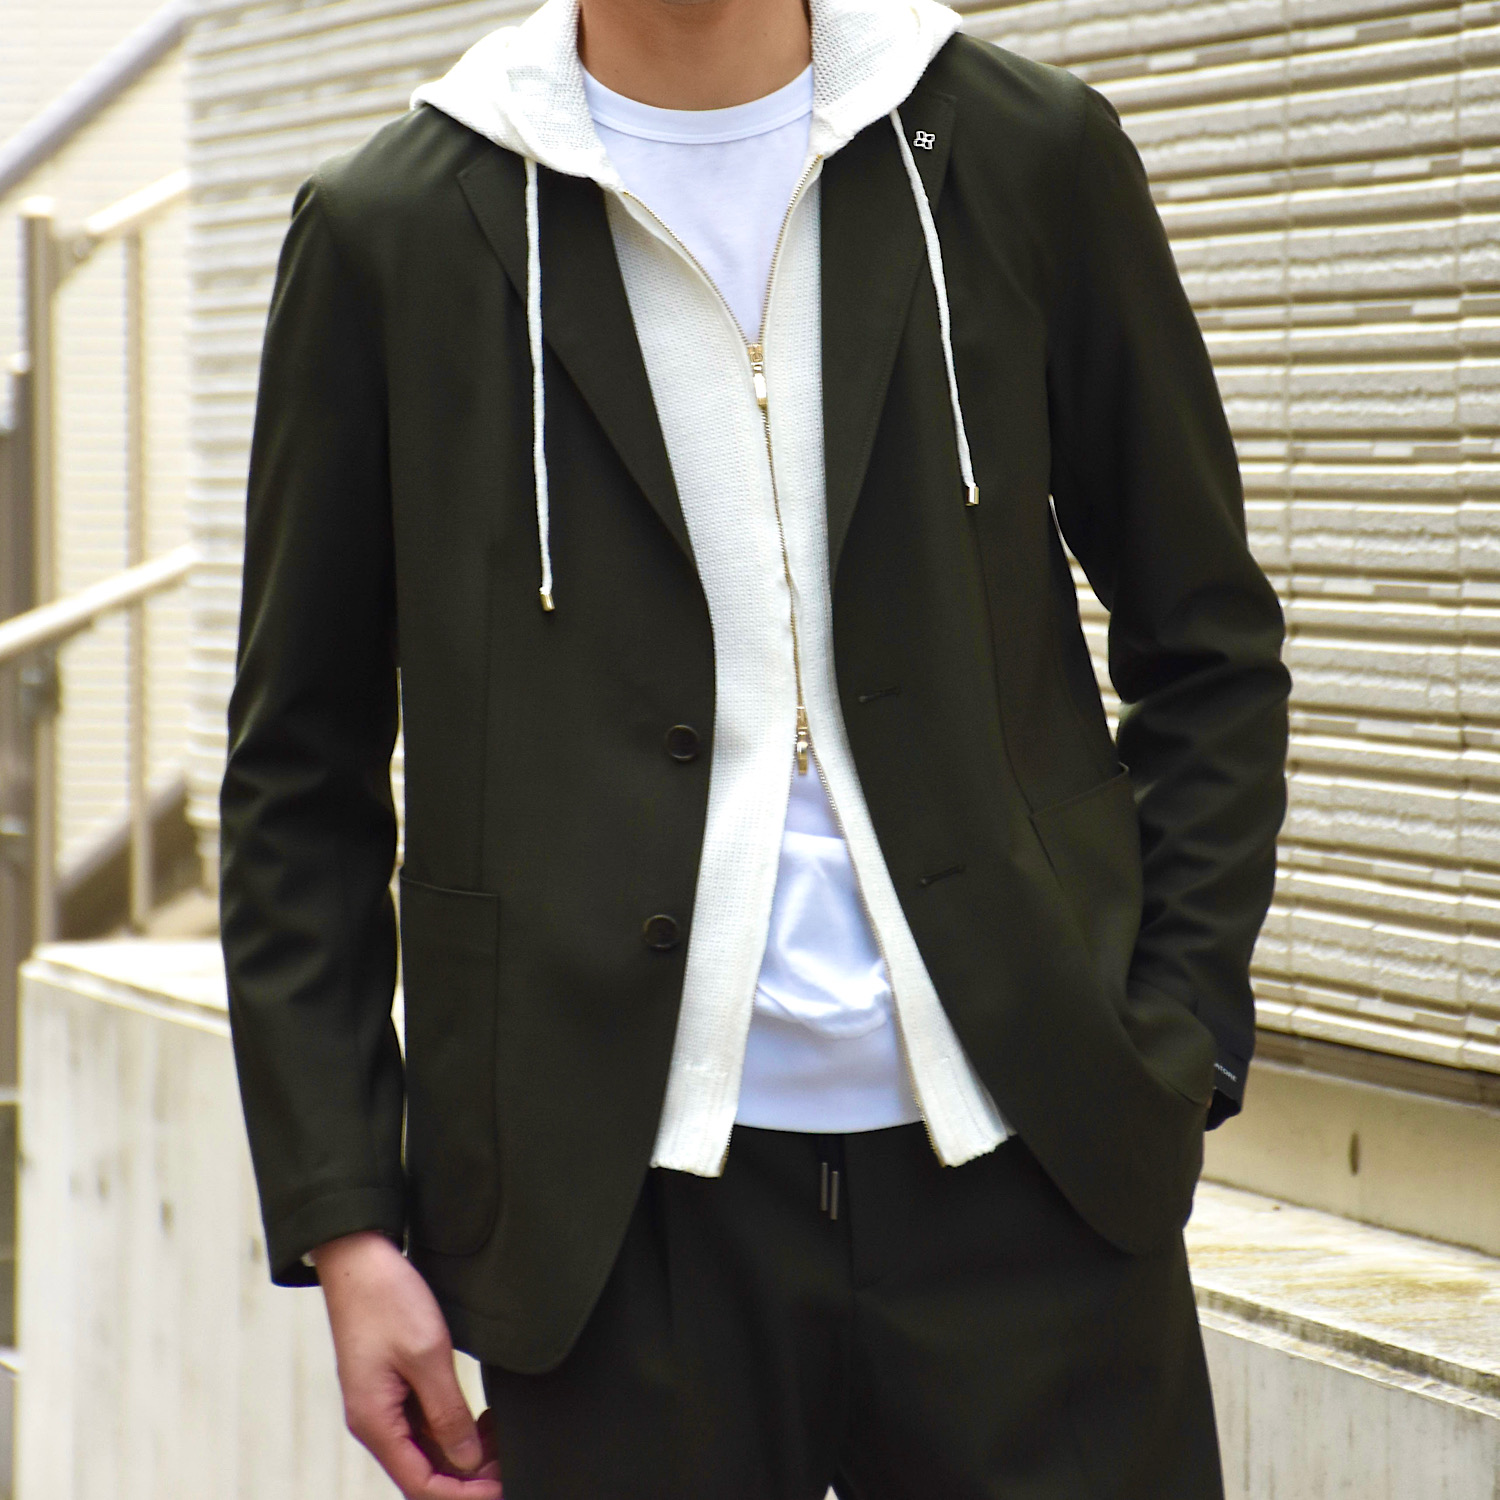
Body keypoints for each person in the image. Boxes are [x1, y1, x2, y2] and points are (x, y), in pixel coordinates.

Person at [218, 0, 1291, 1493]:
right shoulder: (391, 231)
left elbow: (1209, 638)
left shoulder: (1022, 154)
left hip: (1038, 1170)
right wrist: (345, 1222)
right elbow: (298, 773)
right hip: (613, 1223)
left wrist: (1177, 1039)